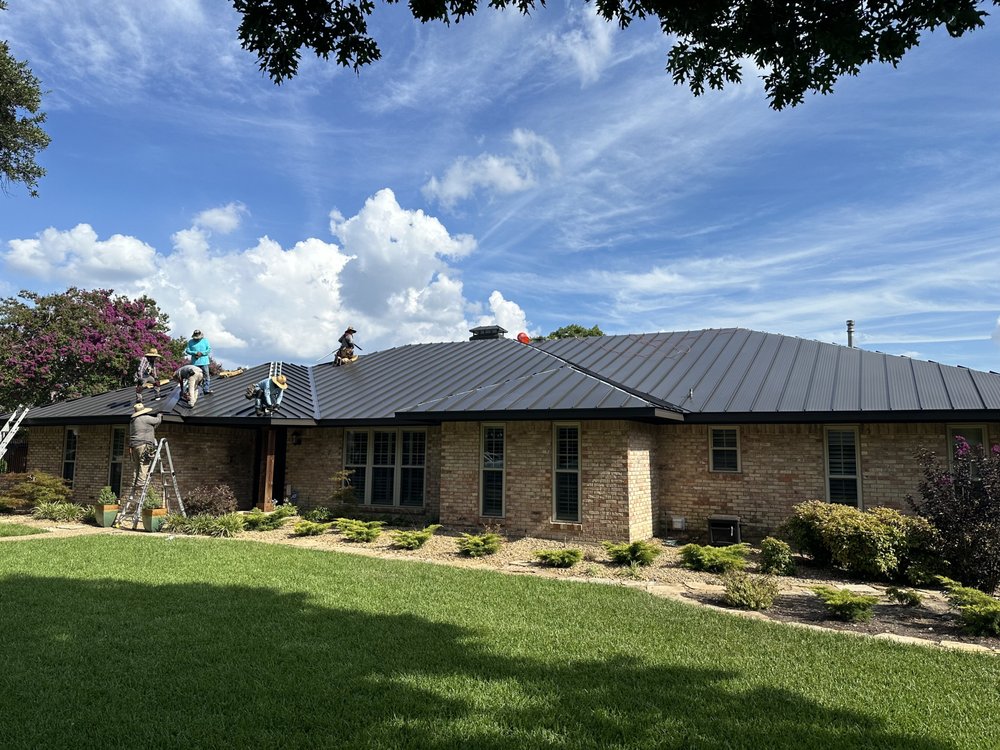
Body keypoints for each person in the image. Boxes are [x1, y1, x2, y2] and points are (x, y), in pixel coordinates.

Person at [129, 403, 161, 494]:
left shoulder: (133, 420)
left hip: (134, 445)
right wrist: (159, 414)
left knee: (137, 466)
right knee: (144, 464)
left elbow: (149, 428)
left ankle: (134, 483)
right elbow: (157, 420)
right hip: (143, 445)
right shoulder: (145, 418)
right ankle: (140, 484)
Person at [184, 329, 213, 395]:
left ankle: (206, 389)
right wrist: (195, 353)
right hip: (195, 363)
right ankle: (192, 390)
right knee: (193, 376)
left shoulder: (205, 341)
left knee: (206, 376)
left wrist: (202, 353)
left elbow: (208, 349)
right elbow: (187, 350)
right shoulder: (190, 342)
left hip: (204, 361)